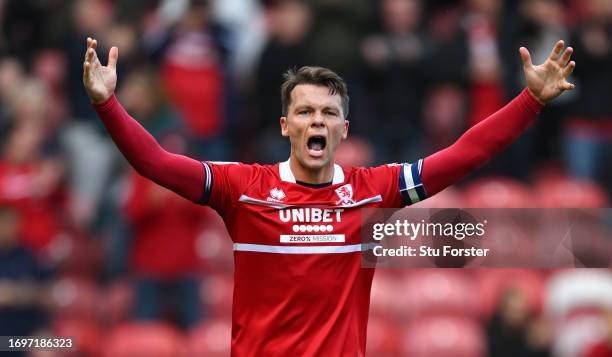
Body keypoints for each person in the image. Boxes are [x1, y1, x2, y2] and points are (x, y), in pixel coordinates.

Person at [83, 36, 575, 356]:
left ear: (344, 127)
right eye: (304, 111)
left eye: (327, 112)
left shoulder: (371, 191)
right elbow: (155, 163)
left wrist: (529, 101)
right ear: (285, 125)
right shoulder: (244, 189)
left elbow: (466, 153)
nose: (316, 120)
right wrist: (108, 104)